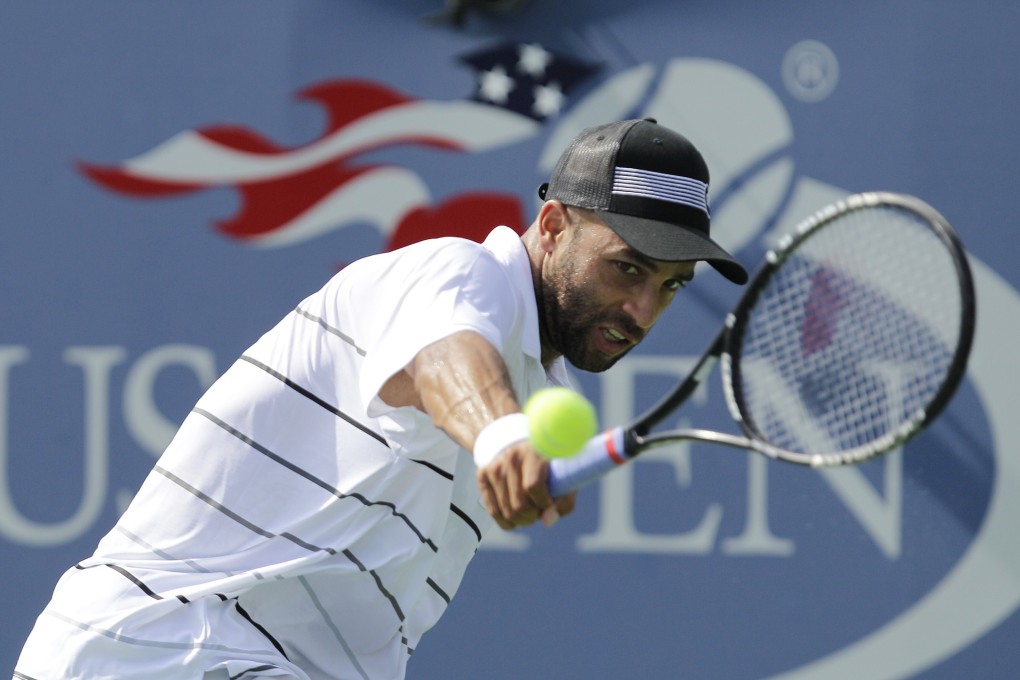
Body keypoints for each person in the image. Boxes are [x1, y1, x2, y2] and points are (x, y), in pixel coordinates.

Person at [13, 118, 747, 680]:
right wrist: (499, 438)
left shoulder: (537, 383)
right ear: (553, 227)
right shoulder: (456, 275)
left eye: (671, 286)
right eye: (628, 269)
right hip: (170, 648)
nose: (644, 310)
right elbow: (445, 358)